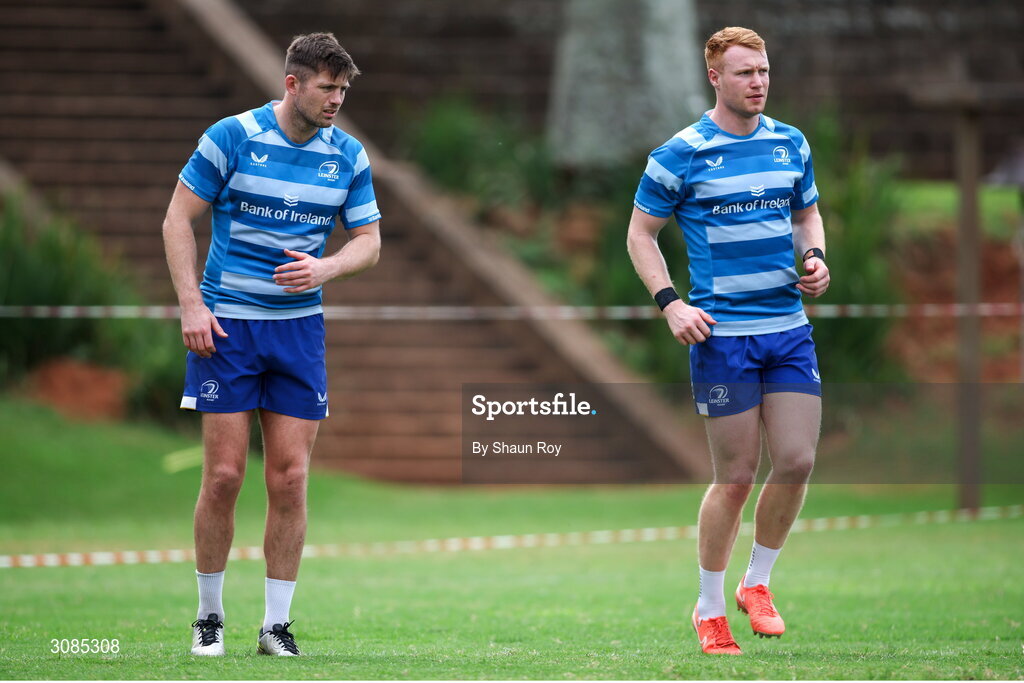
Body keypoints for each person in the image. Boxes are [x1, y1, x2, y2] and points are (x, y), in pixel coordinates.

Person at [162, 32, 381, 657]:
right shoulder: (232, 137)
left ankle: (275, 627)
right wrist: (191, 305)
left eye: (343, 89)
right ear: (293, 83)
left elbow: (368, 242)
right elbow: (177, 219)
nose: (336, 99)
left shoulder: (349, 156)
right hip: (227, 327)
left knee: (289, 479)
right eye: (327, 88)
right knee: (224, 476)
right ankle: (209, 617)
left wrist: (327, 268)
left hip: (298, 331)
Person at [626, 26, 829, 655]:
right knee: (736, 476)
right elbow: (640, 235)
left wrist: (816, 257)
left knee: (796, 460)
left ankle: (756, 583)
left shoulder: (790, 143)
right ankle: (710, 608)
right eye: (745, 73)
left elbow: (806, 215)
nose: (758, 82)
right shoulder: (680, 153)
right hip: (723, 339)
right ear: (715, 78)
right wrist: (671, 304)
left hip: (788, 330)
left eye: (763, 71)